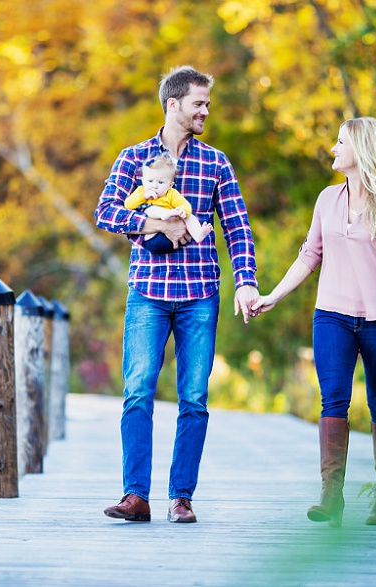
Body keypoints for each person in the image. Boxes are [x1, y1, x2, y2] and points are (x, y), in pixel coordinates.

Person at [94, 65, 259, 524]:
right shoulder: (133, 157)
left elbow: (238, 228)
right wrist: (154, 224)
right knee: (137, 392)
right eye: (199, 103)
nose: (206, 110)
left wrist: (246, 280)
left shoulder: (216, 162)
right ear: (173, 105)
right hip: (147, 293)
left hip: (200, 294)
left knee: (194, 398)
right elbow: (105, 211)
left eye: (207, 103)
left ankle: (181, 497)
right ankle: (135, 496)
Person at [252, 117, 376, 527]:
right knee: (333, 401)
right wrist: (273, 294)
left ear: (361, 151)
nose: (332, 148)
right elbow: (310, 254)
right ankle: (331, 497)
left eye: (340, 142)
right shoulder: (327, 199)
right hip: (332, 317)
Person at [123, 153, 213, 254]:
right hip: (151, 237)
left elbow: (184, 204)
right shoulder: (141, 191)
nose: (154, 186)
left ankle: (198, 234)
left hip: (171, 240)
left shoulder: (171, 194)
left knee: (189, 216)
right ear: (143, 181)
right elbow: (128, 205)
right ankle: (163, 213)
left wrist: (182, 210)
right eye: (150, 181)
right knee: (149, 209)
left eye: (160, 182)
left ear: (170, 185)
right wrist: (143, 197)